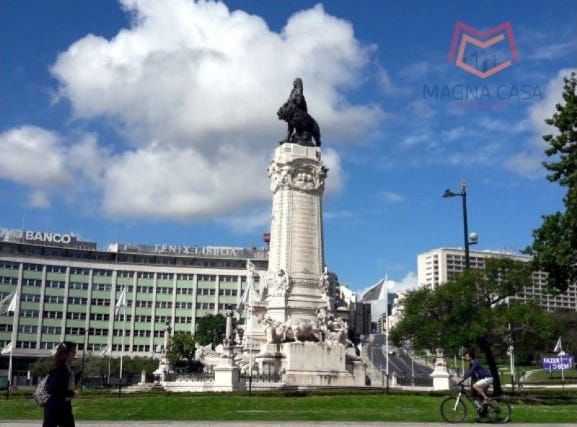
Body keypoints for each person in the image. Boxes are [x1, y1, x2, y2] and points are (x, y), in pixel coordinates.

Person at [43, 341, 81, 427]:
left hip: (64, 406)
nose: (75, 353)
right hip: (54, 407)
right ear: (66, 353)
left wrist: (77, 375)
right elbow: (52, 388)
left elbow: (68, 385)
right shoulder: (60, 368)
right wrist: (72, 393)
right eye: (73, 351)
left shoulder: (67, 367)